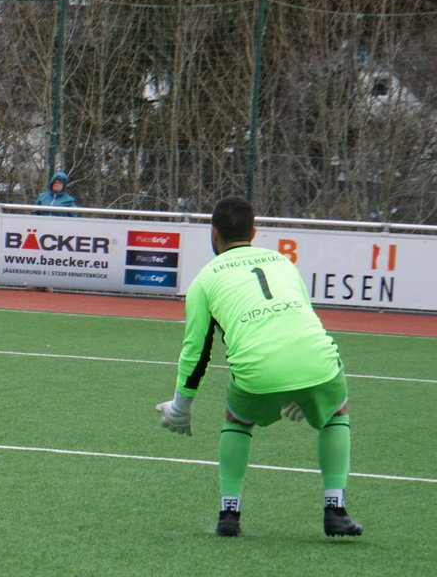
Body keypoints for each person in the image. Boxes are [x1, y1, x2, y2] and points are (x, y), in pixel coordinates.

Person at [155, 196, 362, 539]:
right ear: (253, 232)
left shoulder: (204, 280)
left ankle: (229, 515)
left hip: (258, 372)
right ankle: (335, 509)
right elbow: (303, 318)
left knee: (237, 420)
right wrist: (304, 386)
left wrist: (181, 407)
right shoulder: (284, 262)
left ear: (214, 233)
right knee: (336, 413)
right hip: (318, 362)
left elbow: (196, 351)